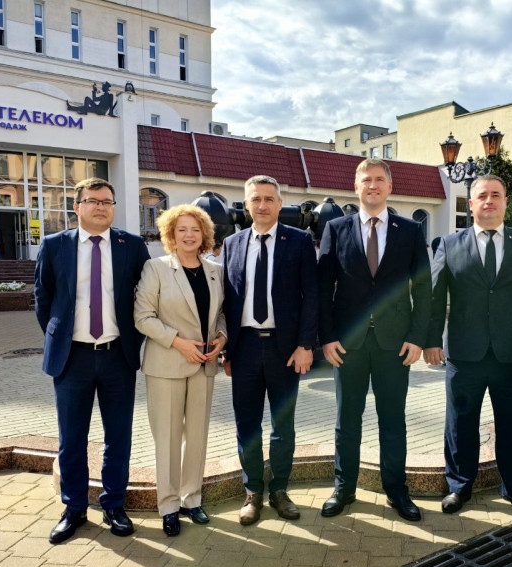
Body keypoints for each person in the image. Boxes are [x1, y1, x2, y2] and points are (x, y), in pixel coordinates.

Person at [424, 175, 512, 516]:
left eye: (496, 195)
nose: (489, 201)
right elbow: (434, 299)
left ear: (506, 201)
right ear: (471, 204)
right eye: (482, 196)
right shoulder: (449, 244)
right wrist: (431, 341)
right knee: (460, 424)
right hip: (464, 354)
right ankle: (459, 486)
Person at [34, 178, 150, 544]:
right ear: (77, 206)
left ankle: (114, 504)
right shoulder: (55, 245)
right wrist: (60, 337)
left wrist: (134, 340)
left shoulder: (132, 246)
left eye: (107, 201)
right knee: (72, 438)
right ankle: (74, 508)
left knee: (118, 436)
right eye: (92, 200)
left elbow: (147, 298)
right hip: (72, 359)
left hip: (118, 357)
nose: (100, 206)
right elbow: (43, 298)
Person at [318, 159, 431, 521]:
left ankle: (396, 491)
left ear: (389, 186)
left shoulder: (409, 230)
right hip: (346, 345)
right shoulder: (335, 228)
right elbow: (322, 288)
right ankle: (344, 488)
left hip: (394, 345)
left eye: (380, 179)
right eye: (366, 179)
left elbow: (423, 288)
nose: (373, 185)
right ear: (356, 187)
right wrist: (327, 337)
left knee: (393, 421)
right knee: (346, 420)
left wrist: (417, 338)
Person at [221, 175, 318, 526]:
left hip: (285, 350)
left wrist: (305, 345)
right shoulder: (231, 244)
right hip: (244, 347)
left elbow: (312, 296)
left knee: (282, 425)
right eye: (255, 199)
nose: (262, 205)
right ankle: (253, 492)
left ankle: (280, 490)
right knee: (247, 425)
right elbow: (226, 299)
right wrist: (226, 350)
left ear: (279, 204)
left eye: (268, 199)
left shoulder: (299, 241)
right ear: (246, 205)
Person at [134, 205, 227, 537]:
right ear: (171, 234)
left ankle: (192, 498)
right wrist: (178, 343)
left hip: (204, 364)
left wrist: (222, 337)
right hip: (167, 364)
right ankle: (169, 505)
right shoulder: (156, 267)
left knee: (198, 437)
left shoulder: (215, 270)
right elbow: (143, 317)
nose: (189, 235)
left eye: (195, 229)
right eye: (182, 229)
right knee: (169, 438)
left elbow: (221, 314)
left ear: (205, 234)